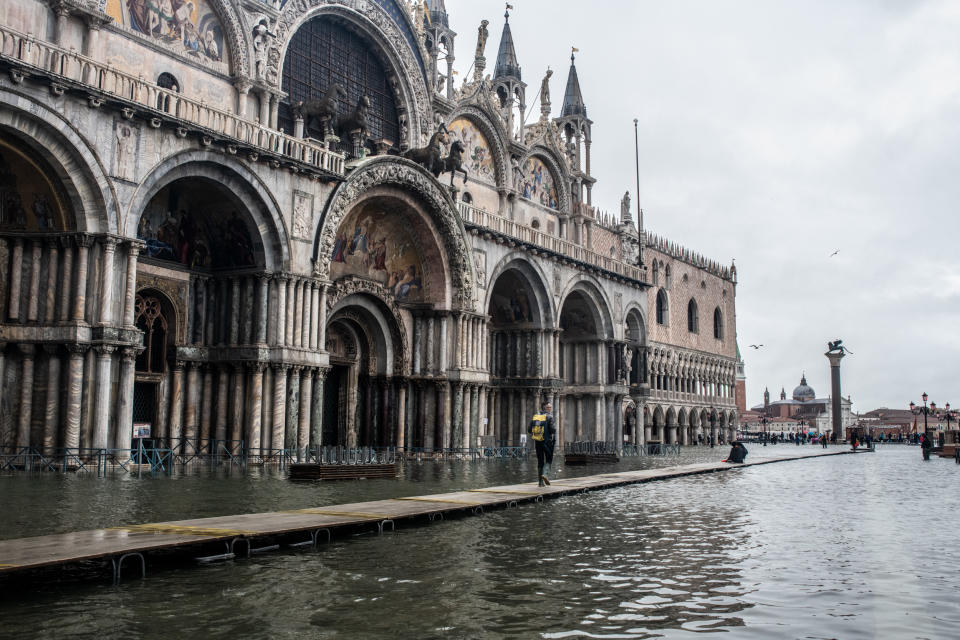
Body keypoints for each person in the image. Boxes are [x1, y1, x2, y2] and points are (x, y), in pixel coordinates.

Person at [529, 402, 556, 486]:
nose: (550, 409)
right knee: (549, 459)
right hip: (547, 442)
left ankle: (540, 483)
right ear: (546, 408)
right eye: (549, 407)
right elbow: (553, 430)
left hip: (537, 441)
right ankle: (545, 474)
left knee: (540, 461)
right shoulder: (549, 417)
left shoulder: (535, 416)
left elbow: (529, 430)